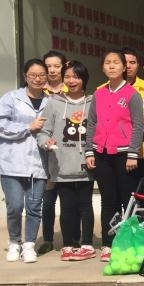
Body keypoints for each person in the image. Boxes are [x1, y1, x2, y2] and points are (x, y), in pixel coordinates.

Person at [84, 49, 144, 262]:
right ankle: (109, 243)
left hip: (124, 155)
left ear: (124, 67)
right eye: (107, 62)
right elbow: (91, 123)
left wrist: (132, 153)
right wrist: (89, 150)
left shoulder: (132, 94)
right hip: (102, 154)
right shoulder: (99, 94)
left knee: (128, 200)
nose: (111, 66)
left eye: (116, 62)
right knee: (108, 200)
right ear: (103, 67)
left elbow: (138, 126)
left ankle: (130, 242)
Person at [37, 60, 97, 261]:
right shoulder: (54, 102)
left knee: (86, 206)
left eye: (76, 77)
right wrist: (46, 142)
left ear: (84, 79)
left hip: (86, 165)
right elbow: (43, 132)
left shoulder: (93, 102)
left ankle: (87, 243)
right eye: (68, 77)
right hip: (61, 165)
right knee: (67, 207)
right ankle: (68, 244)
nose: (72, 81)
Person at [0, 59, 50, 263]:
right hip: (12, 162)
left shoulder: (51, 101)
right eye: (33, 75)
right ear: (25, 76)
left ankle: (29, 244)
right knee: (15, 206)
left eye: (42, 75)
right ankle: (14, 242)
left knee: (34, 207)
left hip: (38, 163)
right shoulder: (11, 98)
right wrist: (27, 127)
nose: (37, 79)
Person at [38, 49, 68, 256]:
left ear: (64, 67)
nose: (52, 70)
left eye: (57, 66)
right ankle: (47, 239)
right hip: (45, 152)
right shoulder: (38, 90)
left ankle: (70, 239)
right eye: (48, 66)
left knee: (68, 201)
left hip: (66, 152)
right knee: (48, 201)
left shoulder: (71, 87)